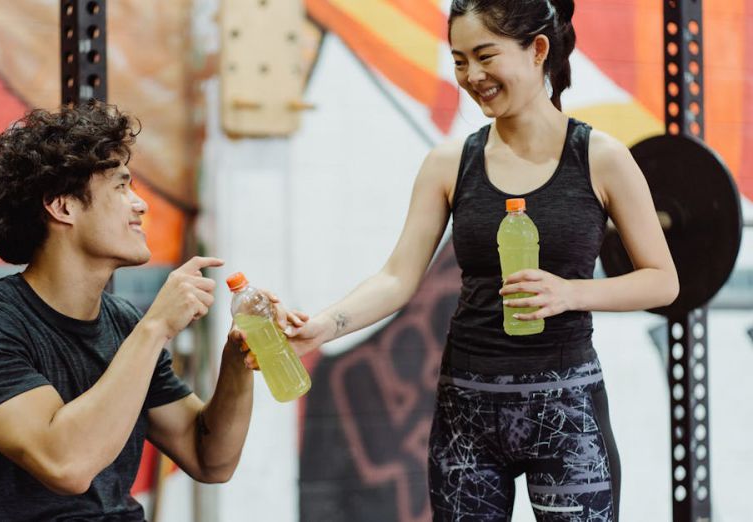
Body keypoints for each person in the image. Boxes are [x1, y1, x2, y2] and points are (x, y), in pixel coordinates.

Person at [268, 0, 678, 520]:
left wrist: (570, 293)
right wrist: (325, 326)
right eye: (460, 61)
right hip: (467, 412)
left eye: (485, 56)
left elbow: (662, 281)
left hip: (567, 410)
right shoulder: (449, 164)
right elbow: (398, 277)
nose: (472, 76)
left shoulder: (602, 158)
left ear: (538, 51)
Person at [0, 101, 298, 520]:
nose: (140, 204)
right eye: (121, 187)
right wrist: (157, 325)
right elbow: (65, 464)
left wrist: (237, 358)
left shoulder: (123, 324)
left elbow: (210, 458)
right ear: (62, 206)